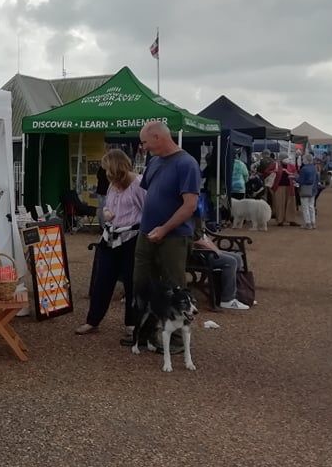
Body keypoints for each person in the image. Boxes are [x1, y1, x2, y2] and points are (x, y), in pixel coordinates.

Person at [129, 122, 201, 350]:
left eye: (145, 142)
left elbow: (190, 205)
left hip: (174, 237)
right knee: (142, 284)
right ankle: (144, 335)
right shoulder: (154, 162)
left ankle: (177, 340)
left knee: (174, 287)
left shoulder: (186, 163)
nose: (143, 147)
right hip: (146, 233)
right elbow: (149, 194)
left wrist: (165, 228)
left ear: (158, 137)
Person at [76, 150, 145, 336]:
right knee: (102, 279)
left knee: (132, 282)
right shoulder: (112, 185)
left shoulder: (138, 184)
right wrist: (106, 212)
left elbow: (147, 211)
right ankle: (92, 320)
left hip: (131, 238)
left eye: (108, 169)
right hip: (111, 236)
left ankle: (132, 323)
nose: (106, 174)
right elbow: (108, 204)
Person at [191, 218, 249, 310]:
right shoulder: (189, 220)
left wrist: (217, 251)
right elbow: (197, 241)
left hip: (206, 252)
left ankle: (235, 293)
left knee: (237, 258)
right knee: (231, 262)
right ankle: (227, 300)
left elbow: (204, 237)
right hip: (198, 255)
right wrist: (215, 251)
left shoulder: (196, 219)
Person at [271, 153, 298, 226]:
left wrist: (289, 173)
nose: (287, 159)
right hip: (279, 187)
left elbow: (296, 175)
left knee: (291, 203)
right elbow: (267, 172)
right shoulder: (275, 165)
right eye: (285, 158)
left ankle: (291, 219)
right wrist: (274, 172)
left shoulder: (291, 166)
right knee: (279, 203)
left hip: (290, 187)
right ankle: (280, 220)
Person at [297, 153, 319, 229]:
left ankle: (308, 223)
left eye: (303, 159)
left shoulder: (304, 169)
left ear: (306, 160)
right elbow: (317, 179)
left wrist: (295, 178)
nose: (302, 160)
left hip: (305, 189)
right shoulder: (314, 168)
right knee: (311, 206)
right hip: (313, 189)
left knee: (305, 207)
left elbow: (301, 180)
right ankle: (313, 223)